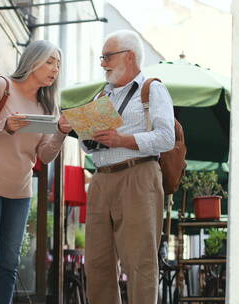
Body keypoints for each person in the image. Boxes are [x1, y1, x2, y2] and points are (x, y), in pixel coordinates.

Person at [0, 40, 72, 304]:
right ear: (32, 60)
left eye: (58, 64)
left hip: (20, 191)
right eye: (49, 61)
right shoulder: (3, 87)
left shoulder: (48, 107)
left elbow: (44, 156)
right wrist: (3, 126)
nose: (55, 69)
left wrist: (60, 133)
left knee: (9, 263)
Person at [82, 30, 175, 304]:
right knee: (97, 264)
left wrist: (123, 140)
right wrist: (85, 134)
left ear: (130, 56)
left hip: (138, 175)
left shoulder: (152, 88)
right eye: (102, 57)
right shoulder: (102, 95)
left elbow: (167, 138)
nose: (102, 63)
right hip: (100, 180)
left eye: (107, 56)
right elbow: (89, 147)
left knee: (140, 262)